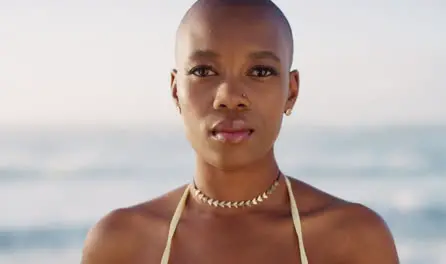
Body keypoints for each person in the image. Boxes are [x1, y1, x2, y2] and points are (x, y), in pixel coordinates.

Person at [81, 0, 400, 263]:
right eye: (203, 71)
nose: (229, 96)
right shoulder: (120, 245)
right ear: (176, 90)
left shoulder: (355, 241)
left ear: (291, 91)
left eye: (260, 71)